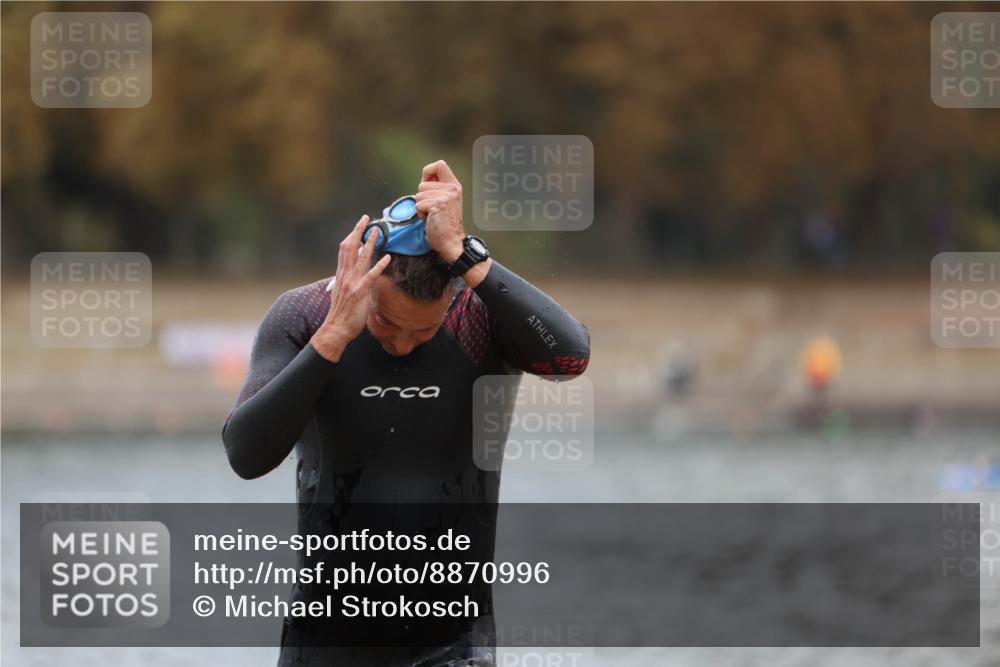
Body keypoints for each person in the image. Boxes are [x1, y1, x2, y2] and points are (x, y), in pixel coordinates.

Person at [222, 160, 590, 666]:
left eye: (423, 332)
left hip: (454, 643)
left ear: (453, 297)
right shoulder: (304, 315)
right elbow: (246, 454)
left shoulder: (481, 314)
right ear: (363, 281)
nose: (401, 342)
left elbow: (571, 358)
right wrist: (333, 337)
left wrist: (467, 256)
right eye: (386, 321)